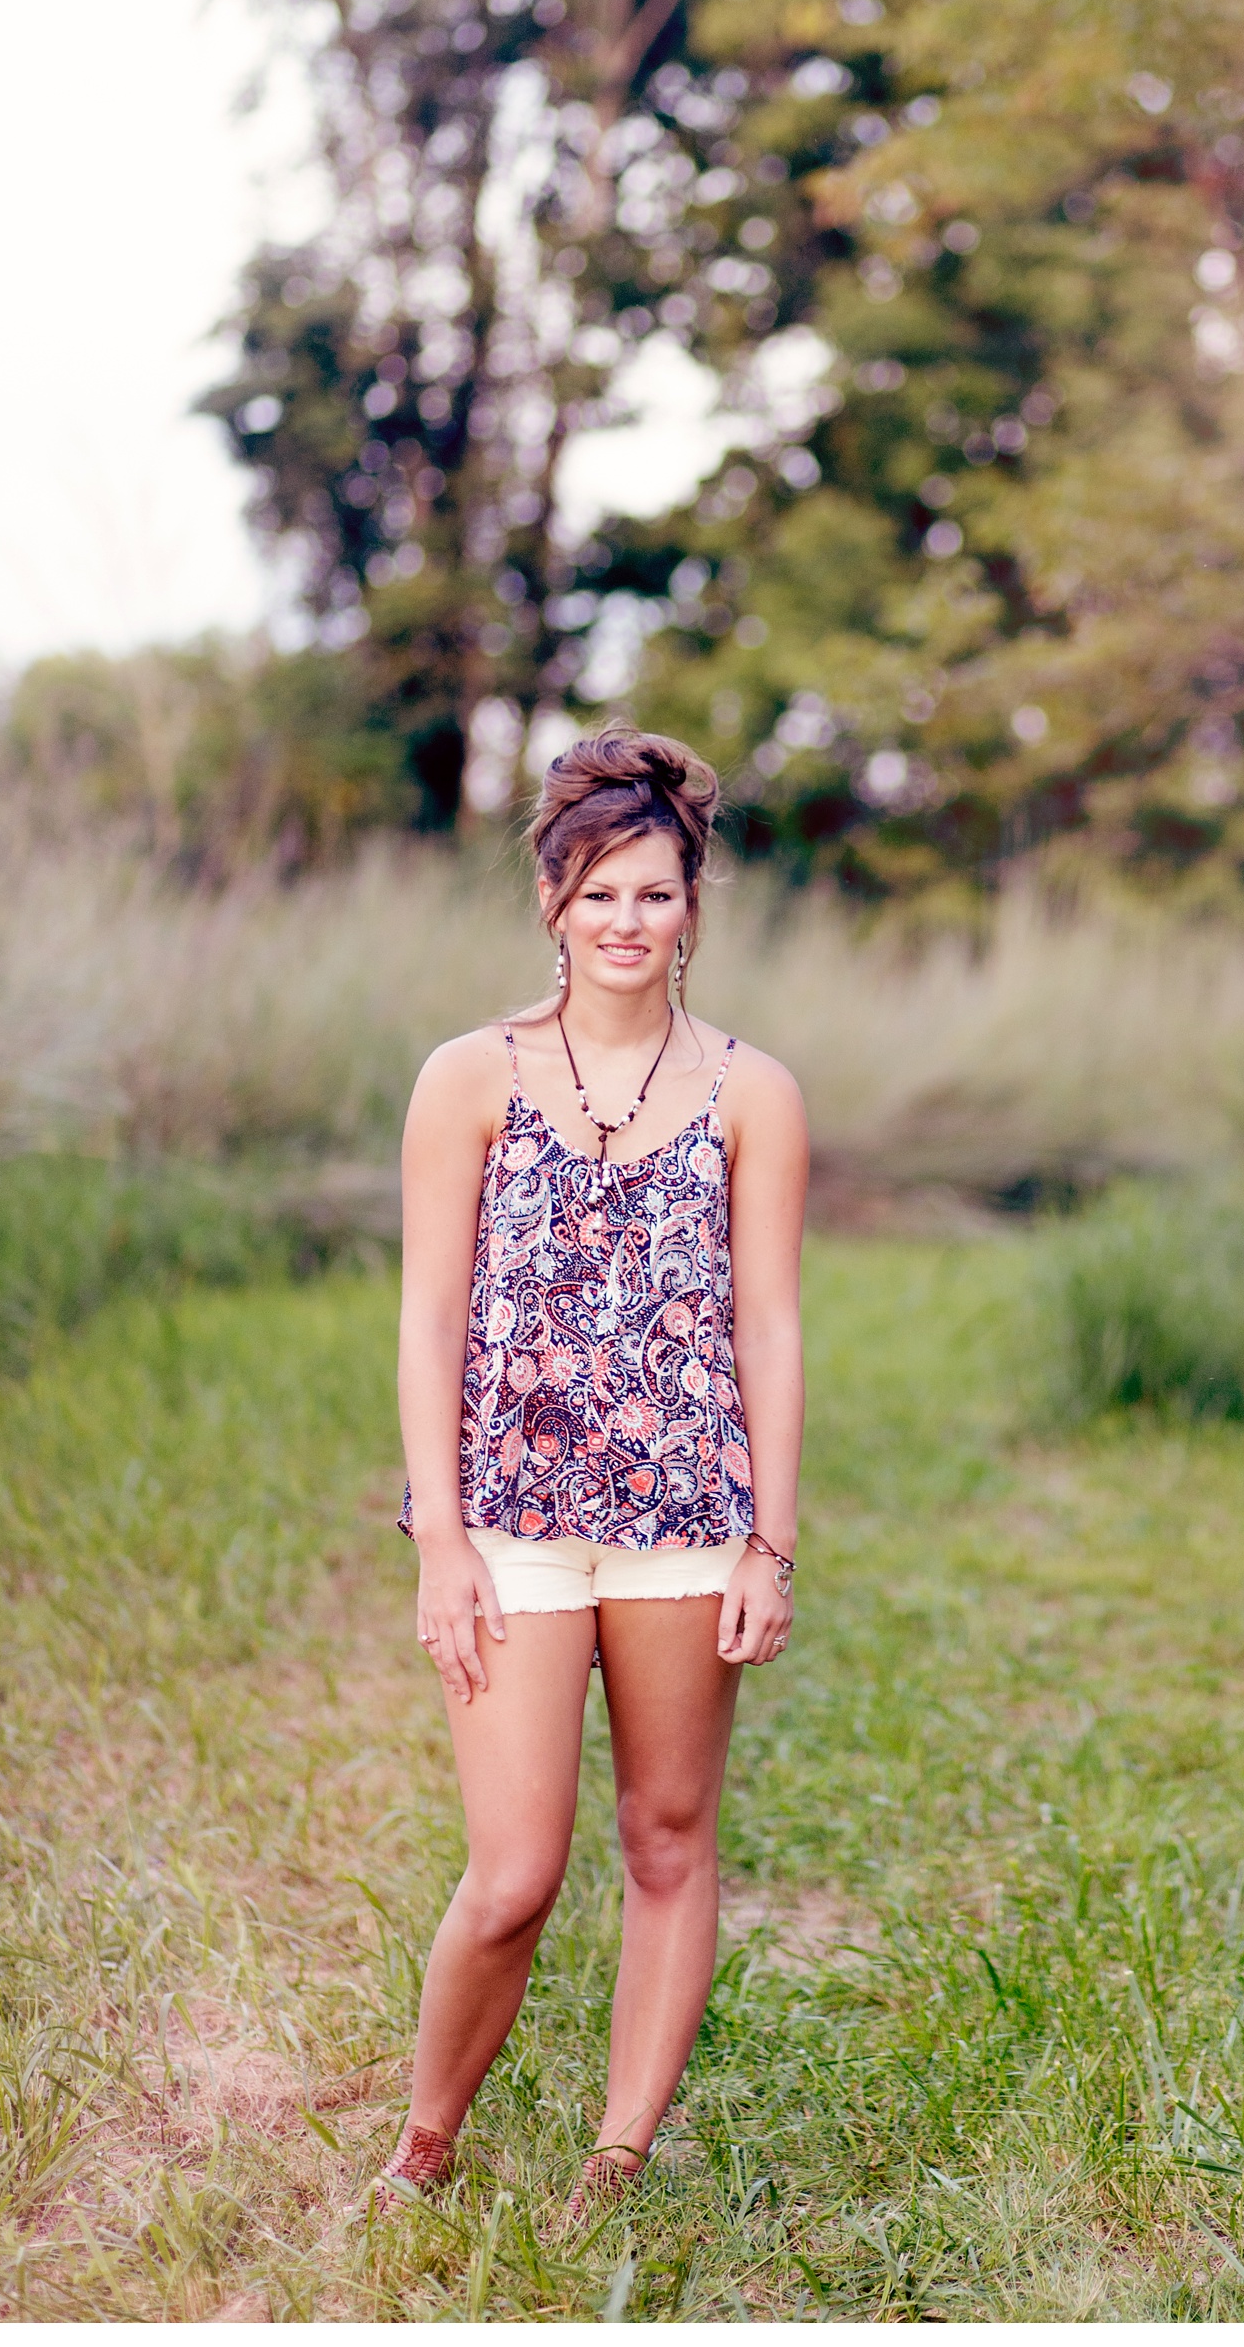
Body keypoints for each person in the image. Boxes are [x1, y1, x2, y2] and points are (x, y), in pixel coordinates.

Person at [377, 725, 807, 2220]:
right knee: (514, 1871)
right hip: (513, 1525)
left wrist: (771, 1540)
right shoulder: (468, 1076)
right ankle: (424, 2143)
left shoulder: (753, 1091)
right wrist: (440, 1536)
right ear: (552, 897)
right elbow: (431, 1315)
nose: (630, 922)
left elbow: (770, 1320)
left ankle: (615, 2159)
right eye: (600, 891)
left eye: (658, 894)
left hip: (689, 1524)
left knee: (670, 1836)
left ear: (695, 906)